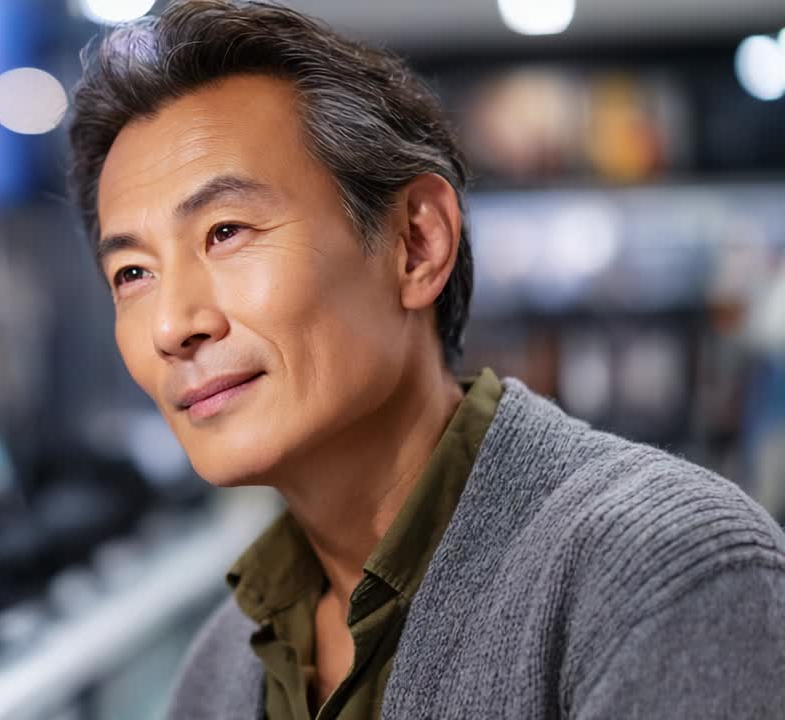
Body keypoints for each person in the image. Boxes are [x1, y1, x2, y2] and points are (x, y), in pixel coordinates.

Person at [65, 1, 785, 718]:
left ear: (418, 243)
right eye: (132, 274)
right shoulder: (222, 667)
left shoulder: (664, 573)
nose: (171, 325)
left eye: (226, 231)